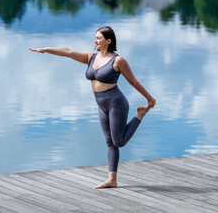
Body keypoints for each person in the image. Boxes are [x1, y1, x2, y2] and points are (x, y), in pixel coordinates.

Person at [29, 26, 156, 189]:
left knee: (119, 141)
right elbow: (68, 52)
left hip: (116, 102)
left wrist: (149, 98)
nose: (94, 41)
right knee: (110, 142)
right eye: (95, 37)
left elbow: (133, 81)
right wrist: (46, 49)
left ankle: (140, 114)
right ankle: (112, 180)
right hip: (101, 104)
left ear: (108, 41)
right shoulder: (91, 58)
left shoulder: (118, 61)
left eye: (98, 38)